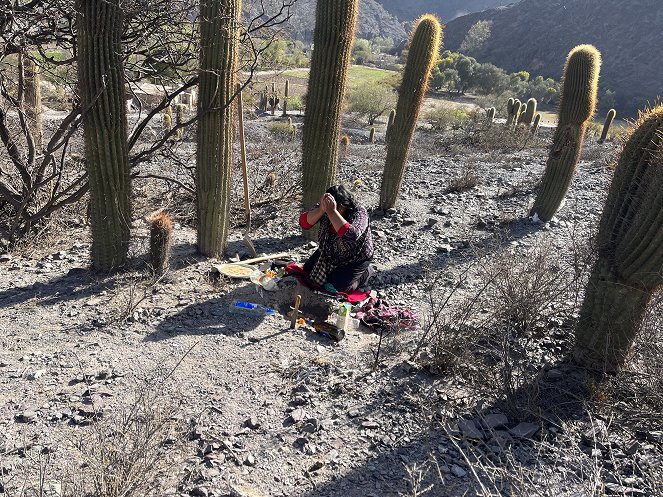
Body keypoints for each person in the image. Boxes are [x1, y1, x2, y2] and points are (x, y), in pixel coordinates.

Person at [299, 185, 373, 293]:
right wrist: (321, 209)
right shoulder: (324, 207)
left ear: (344, 206)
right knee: (307, 272)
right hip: (330, 252)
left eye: (338, 207)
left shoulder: (359, 212)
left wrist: (332, 212)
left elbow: (352, 236)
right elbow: (304, 223)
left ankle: (365, 274)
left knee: (333, 288)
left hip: (354, 259)